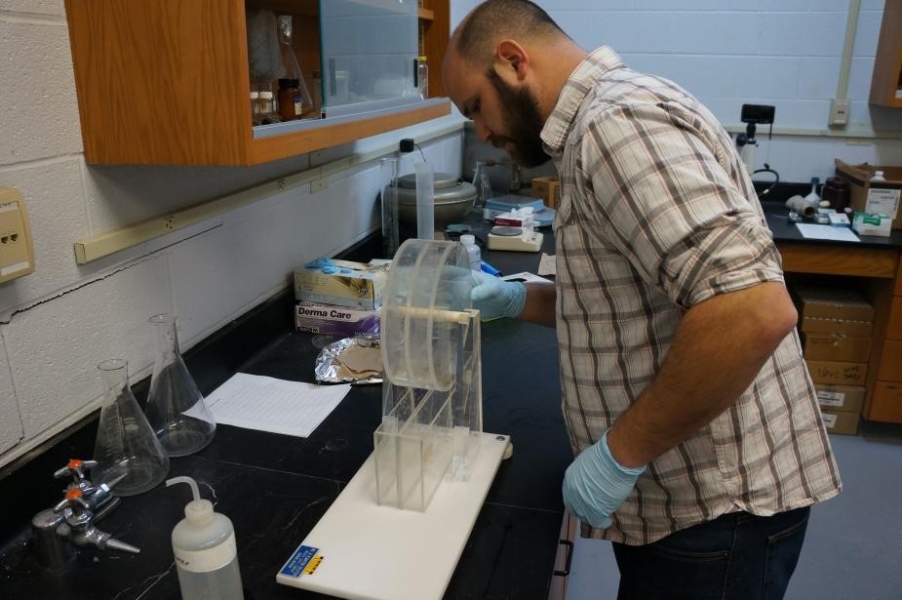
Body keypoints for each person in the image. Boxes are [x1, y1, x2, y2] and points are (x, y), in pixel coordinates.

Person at [442, 1, 842, 598]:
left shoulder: (615, 125)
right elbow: (627, 304)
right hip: (690, 499)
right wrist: (514, 299)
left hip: (717, 508)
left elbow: (753, 308)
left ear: (512, 61)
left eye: (475, 106)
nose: (481, 133)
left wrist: (618, 456)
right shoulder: (600, 122)